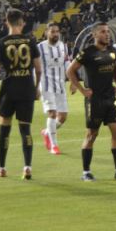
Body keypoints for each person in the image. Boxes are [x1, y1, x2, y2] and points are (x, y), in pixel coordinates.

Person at [67, 23, 116, 182]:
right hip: (94, 100)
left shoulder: (112, 51)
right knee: (91, 135)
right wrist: (82, 90)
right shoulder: (87, 52)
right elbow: (70, 71)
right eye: (103, 32)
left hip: (110, 98)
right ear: (95, 35)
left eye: (108, 32)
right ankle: (86, 172)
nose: (107, 34)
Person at [0, 9, 42, 180]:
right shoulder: (30, 41)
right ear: (22, 23)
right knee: (25, 130)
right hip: (26, 87)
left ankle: (2, 168)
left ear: (7, 22)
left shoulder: (1, 43)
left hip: (9, 88)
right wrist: (36, 87)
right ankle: (27, 167)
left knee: (4, 129)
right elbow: (39, 68)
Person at [38, 23, 69, 155]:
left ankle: (46, 132)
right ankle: (54, 146)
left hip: (60, 84)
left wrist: (73, 81)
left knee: (62, 117)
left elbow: (67, 63)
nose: (55, 34)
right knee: (52, 113)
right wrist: (35, 86)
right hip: (45, 85)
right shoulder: (39, 48)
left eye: (57, 31)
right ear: (46, 32)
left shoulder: (63, 46)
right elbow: (35, 68)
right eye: (52, 31)